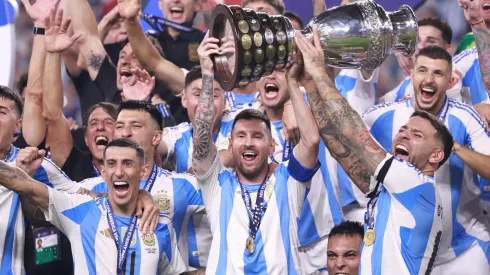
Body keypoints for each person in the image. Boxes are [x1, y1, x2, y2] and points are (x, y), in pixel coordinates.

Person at [297, 30, 448, 274]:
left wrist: (317, 70)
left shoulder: (418, 186)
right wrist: (309, 87)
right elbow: (339, 148)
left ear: (435, 156)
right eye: (403, 130)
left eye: (417, 135)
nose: (404, 135)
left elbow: (356, 133)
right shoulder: (397, 192)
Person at [191, 31, 320, 273]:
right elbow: (201, 139)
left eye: (258, 136)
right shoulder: (216, 185)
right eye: (241, 136)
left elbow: (311, 141)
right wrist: (208, 74)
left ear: (272, 146)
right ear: (229, 146)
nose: (248, 143)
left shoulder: (288, 181)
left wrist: (292, 83)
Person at [363, 46, 490, 274]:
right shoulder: (382, 116)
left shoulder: (465, 116)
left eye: (438, 73)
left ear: (450, 82)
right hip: (405, 251)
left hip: (462, 251)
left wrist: (455, 147)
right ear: (412, 74)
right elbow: (347, 140)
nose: (429, 79)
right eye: (422, 70)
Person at [0, 138, 186, 274]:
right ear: (103, 172)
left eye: (127, 164)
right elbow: (23, 184)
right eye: (112, 164)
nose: (119, 172)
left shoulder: (160, 224)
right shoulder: (80, 210)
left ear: (143, 171)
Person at [81, 100, 211, 272]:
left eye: (135, 126)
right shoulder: (96, 185)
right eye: (119, 126)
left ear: (156, 137)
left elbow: (231, 201)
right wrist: (139, 194)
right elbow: (58, 199)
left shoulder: (181, 185)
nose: (125, 133)